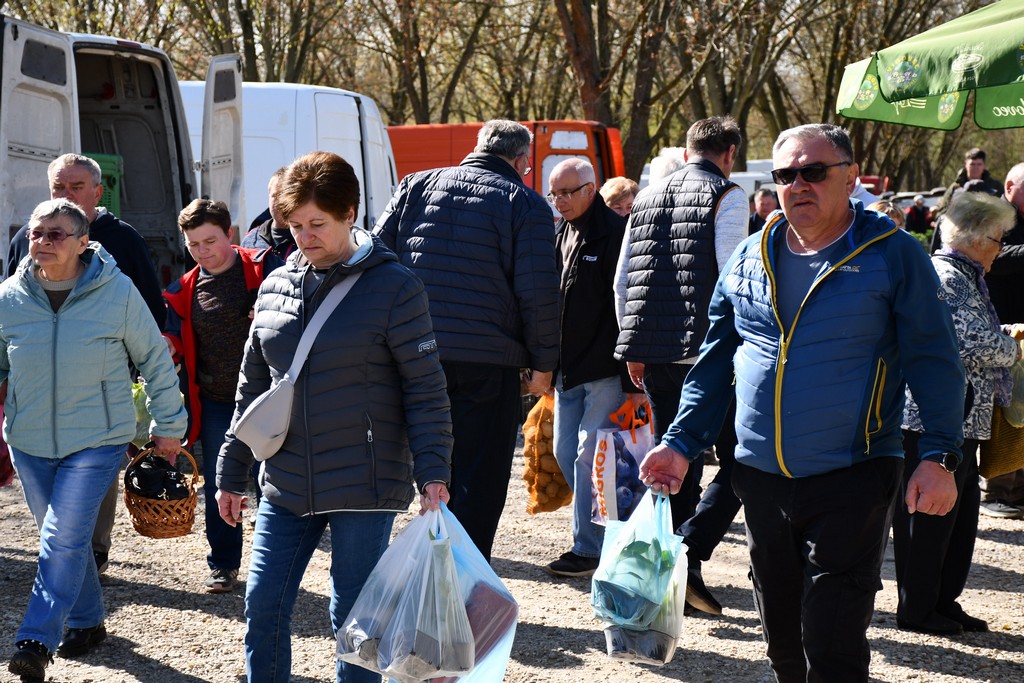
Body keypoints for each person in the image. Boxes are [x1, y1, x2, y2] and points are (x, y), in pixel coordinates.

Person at [640, 123, 965, 682]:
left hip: (854, 472)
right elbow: (716, 360)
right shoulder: (751, 253)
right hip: (760, 476)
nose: (799, 185)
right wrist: (680, 443)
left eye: (814, 171)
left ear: (850, 178)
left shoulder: (892, 255)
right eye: (786, 174)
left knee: (832, 635)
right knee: (782, 635)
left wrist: (939, 456)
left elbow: (935, 361)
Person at [216, 151, 452, 683]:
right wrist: (231, 474)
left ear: (350, 212)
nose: (304, 236)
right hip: (286, 477)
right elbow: (253, 387)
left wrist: (433, 472)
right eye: (294, 225)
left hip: (366, 480)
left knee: (355, 623)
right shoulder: (276, 283)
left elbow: (426, 388)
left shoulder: (396, 288)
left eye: (317, 224)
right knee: (263, 606)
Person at [2, 199, 186, 683]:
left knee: (61, 537)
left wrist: (169, 424)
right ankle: (87, 620)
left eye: (55, 234)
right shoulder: (9, 297)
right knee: (61, 539)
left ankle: (36, 639)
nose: (42, 241)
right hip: (29, 439)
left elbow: (154, 360)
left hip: (98, 438)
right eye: (36, 233)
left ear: (84, 243)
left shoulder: (117, 292)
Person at [374, 119, 559, 561]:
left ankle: (407, 570)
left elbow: (377, 259)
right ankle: (461, 581)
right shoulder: (526, 204)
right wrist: (544, 363)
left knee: (414, 468)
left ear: (478, 147)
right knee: (479, 478)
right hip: (486, 363)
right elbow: (538, 293)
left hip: (413, 355)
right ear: (522, 161)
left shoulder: (413, 186)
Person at [6, 153, 166, 576]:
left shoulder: (123, 239)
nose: (67, 194)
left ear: (97, 191)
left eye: (77, 187)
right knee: (52, 498)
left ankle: (93, 554)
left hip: (103, 388)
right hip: (38, 396)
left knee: (94, 477)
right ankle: (73, 575)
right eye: (59, 186)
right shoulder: (29, 236)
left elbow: (150, 312)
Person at [613, 115, 747, 615]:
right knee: (740, 460)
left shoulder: (645, 197)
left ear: (690, 148)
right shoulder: (726, 195)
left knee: (674, 466)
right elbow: (734, 278)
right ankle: (687, 556)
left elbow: (623, 279)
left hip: (654, 350)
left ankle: (664, 575)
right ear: (729, 152)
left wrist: (633, 345)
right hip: (708, 352)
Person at [895, 191, 1022, 636]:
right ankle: (916, 609)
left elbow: (976, 333)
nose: (1001, 249)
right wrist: (1012, 346)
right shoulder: (947, 274)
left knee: (960, 519)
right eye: (998, 239)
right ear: (974, 238)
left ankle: (943, 601)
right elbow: (970, 341)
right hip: (934, 420)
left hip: (963, 418)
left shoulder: (969, 275)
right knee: (930, 519)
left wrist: (1002, 336)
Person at [163, 199, 282, 594]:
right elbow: (174, 337)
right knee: (221, 481)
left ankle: (276, 565)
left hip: (269, 398)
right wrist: (168, 345)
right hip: (216, 402)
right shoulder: (184, 288)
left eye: (210, 241)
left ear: (229, 235)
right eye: (193, 244)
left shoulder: (266, 268)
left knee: (274, 482)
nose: (203, 251)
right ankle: (224, 565)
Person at [543, 158, 634, 577]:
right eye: (554, 193)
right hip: (567, 370)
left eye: (567, 192)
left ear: (590, 188)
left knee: (587, 456)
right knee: (566, 452)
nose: (559, 201)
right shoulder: (560, 232)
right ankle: (605, 536)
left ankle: (588, 548)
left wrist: (630, 365)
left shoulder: (616, 234)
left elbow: (629, 305)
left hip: (604, 368)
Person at [978, 161, 1024, 519]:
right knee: (1004, 415)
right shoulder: (992, 214)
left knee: (1022, 413)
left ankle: (1018, 489)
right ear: (1009, 186)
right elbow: (989, 255)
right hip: (1002, 329)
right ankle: (1000, 489)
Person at [241, 166, 296, 260]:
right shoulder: (251, 240)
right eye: (276, 195)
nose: (281, 201)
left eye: (286, 195)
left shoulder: (308, 238)